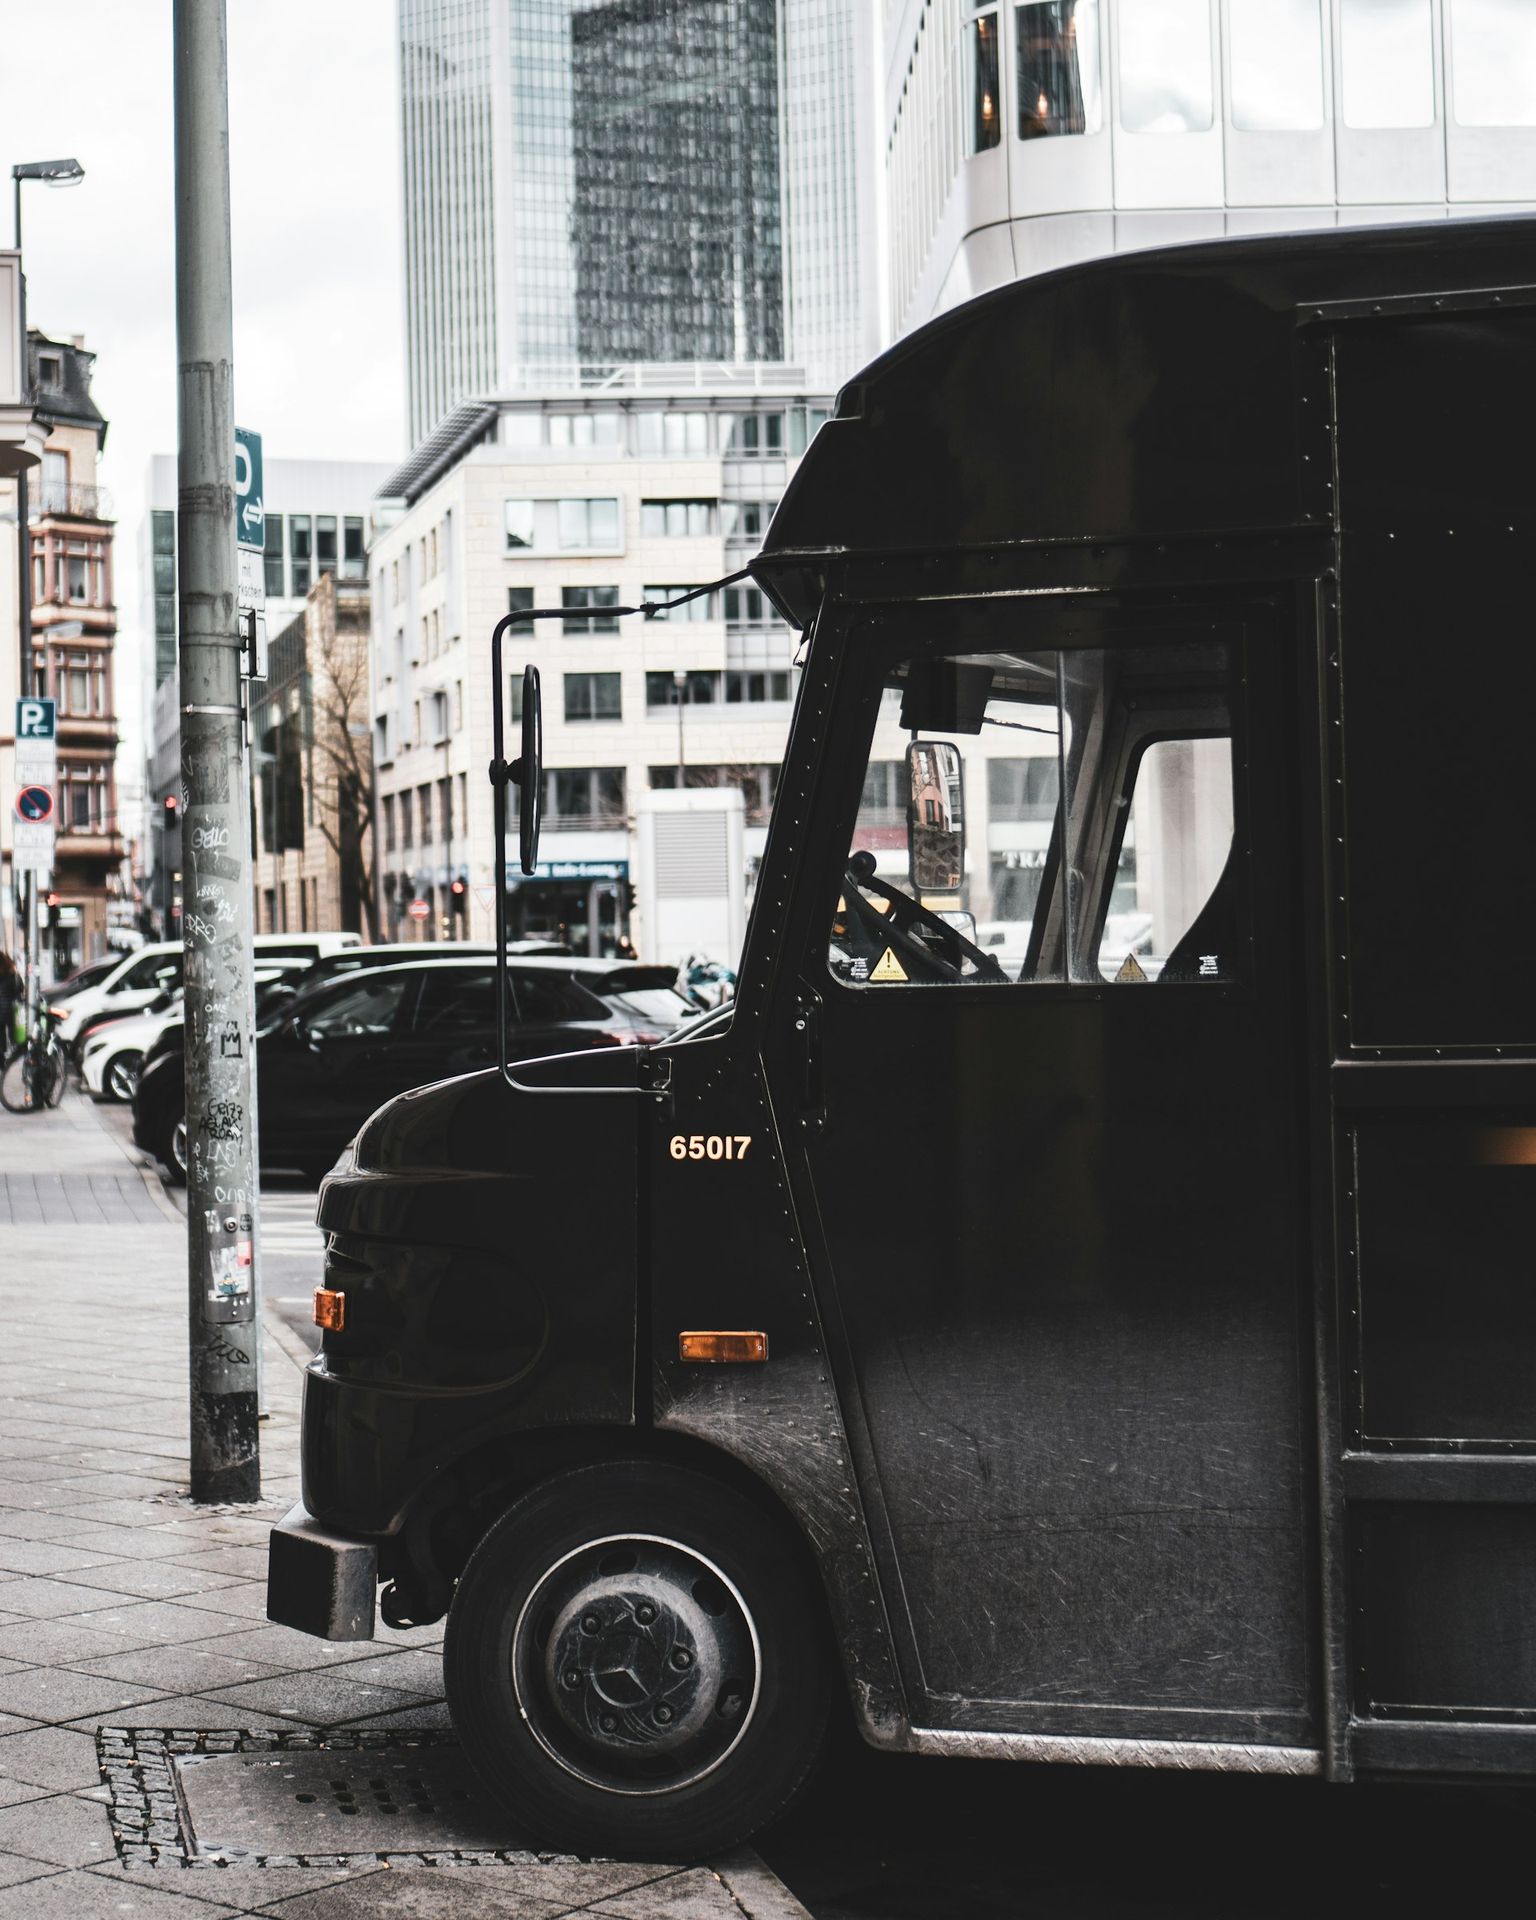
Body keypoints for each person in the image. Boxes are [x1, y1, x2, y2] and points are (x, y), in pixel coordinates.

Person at [0, 952, 20, 1053]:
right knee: (11, 1029)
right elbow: (18, 990)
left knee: (1, 1034)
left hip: (4, 1008)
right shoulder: (11, 974)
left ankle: (3, 1055)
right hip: (9, 1007)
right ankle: (13, 1047)